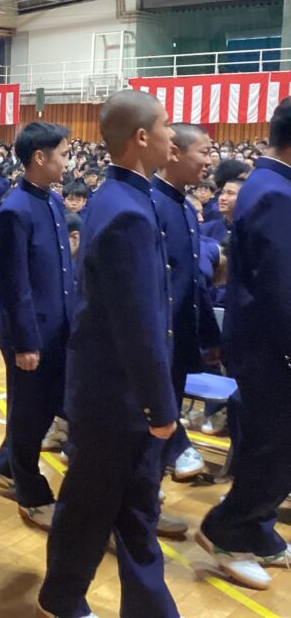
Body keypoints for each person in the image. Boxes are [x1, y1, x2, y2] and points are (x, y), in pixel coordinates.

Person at [38, 90, 179, 618]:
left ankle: (135, 606)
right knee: (93, 506)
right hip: (117, 397)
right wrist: (159, 405)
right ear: (141, 136)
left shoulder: (118, 197)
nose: (172, 135)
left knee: (130, 512)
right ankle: (60, 597)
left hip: (112, 391)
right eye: (166, 126)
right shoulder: (128, 211)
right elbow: (138, 324)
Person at [197, 97, 291, 591]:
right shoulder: (275, 191)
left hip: (263, 341)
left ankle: (257, 528)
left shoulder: (269, 183)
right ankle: (228, 530)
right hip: (271, 345)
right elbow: (280, 285)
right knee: (273, 448)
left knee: (272, 445)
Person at [0, 122, 74, 533]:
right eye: (63, 154)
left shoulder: (52, 201)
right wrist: (25, 342)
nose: (67, 162)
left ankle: (6, 466)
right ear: (39, 157)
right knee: (29, 414)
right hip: (30, 335)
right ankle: (31, 493)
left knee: (43, 408)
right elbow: (14, 284)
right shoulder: (14, 210)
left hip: (56, 328)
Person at [151, 124, 221, 501]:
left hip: (179, 334)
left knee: (166, 417)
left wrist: (208, 335)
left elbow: (193, 281)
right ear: (174, 152)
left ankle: (149, 496)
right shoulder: (151, 204)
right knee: (151, 423)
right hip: (155, 339)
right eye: (203, 152)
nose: (209, 161)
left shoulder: (185, 206)